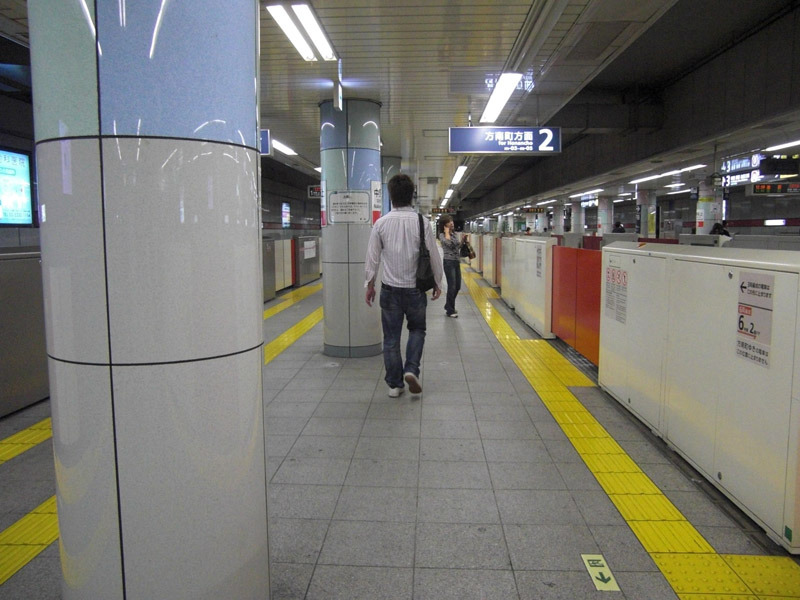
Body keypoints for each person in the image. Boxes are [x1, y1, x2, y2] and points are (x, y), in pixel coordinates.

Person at [365, 173, 443, 398]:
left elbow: (372, 258)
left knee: (391, 338)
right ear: (412, 196)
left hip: (389, 290)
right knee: (417, 330)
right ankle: (411, 369)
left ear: (391, 196)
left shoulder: (381, 223)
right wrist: (438, 281)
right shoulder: (422, 222)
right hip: (416, 290)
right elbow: (433, 255)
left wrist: (369, 284)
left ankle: (394, 384)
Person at [438, 214, 461, 318]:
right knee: (452, 286)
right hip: (449, 262)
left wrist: (463, 242)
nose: (452, 223)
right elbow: (449, 244)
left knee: (457, 286)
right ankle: (450, 310)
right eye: (449, 221)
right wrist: (447, 232)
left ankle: (448, 305)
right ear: (444, 225)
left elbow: (457, 245)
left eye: (452, 220)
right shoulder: (442, 235)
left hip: (456, 261)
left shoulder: (454, 234)